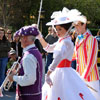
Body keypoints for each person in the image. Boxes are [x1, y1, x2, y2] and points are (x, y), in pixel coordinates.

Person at [37, 7, 96, 100]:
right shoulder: (62, 40)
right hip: (59, 72)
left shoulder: (66, 42)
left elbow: (58, 57)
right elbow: (48, 48)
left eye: (60, 29)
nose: (57, 32)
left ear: (67, 29)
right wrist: (40, 37)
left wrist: (48, 73)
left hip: (63, 73)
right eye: (56, 29)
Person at [8, 26, 43, 100]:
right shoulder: (36, 51)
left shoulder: (28, 56)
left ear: (25, 39)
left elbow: (29, 79)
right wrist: (18, 72)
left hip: (28, 96)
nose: (20, 40)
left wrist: (13, 78)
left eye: (20, 38)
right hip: (35, 94)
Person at [73, 15, 100, 100]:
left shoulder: (92, 39)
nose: (75, 28)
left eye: (77, 25)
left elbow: (91, 61)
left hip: (91, 78)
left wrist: (83, 78)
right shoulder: (77, 39)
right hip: (80, 76)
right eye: (74, 26)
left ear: (83, 25)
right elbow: (75, 56)